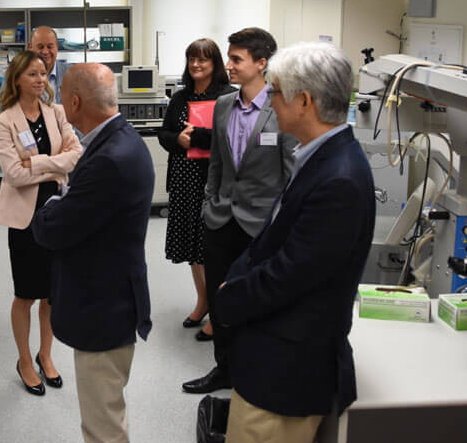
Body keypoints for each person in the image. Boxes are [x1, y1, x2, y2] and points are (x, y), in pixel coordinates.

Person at [213, 42, 374, 443]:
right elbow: (268, 240)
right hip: (270, 356)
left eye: (277, 92)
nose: (270, 99)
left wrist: (229, 299)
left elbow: (289, 274)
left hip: (286, 375)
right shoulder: (317, 158)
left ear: (304, 102)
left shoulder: (340, 179)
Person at [32, 63, 154, 443]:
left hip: (104, 309)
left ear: (74, 101)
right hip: (110, 296)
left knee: (102, 426)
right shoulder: (116, 139)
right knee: (103, 414)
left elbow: (50, 228)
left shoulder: (110, 159)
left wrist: (53, 203)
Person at [182, 27, 298, 395]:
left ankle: (257, 373)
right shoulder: (223, 106)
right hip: (219, 219)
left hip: (261, 227)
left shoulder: (281, 110)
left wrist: (280, 227)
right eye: (229, 58)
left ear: (262, 63)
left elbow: (291, 175)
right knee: (221, 300)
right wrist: (208, 204)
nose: (228, 66)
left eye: (236, 59)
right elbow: (217, 163)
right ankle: (224, 369)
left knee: (258, 302)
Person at [0, 51, 83, 396]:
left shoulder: (57, 113)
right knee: (26, 294)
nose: (40, 80)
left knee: (51, 294)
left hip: (57, 211)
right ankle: (24, 360)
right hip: (25, 218)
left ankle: (46, 355)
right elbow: (13, 174)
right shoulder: (4, 121)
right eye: (32, 74)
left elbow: (76, 154)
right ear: (17, 79)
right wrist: (55, 164)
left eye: (43, 74)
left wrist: (40, 162)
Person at [157, 38, 235, 334]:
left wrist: (198, 137)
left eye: (203, 59)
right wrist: (177, 139)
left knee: (211, 247)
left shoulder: (228, 97)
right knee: (192, 246)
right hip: (183, 179)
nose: (196, 65)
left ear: (215, 63)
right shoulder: (180, 97)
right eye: (191, 59)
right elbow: (164, 132)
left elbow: (232, 140)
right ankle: (202, 302)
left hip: (213, 181)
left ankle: (218, 310)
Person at [0, 25, 70, 105]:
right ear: (30, 47)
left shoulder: (71, 73)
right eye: (40, 47)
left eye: (50, 47)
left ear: (57, 46)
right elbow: (2, 106)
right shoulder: (15, 72)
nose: (45, 52)